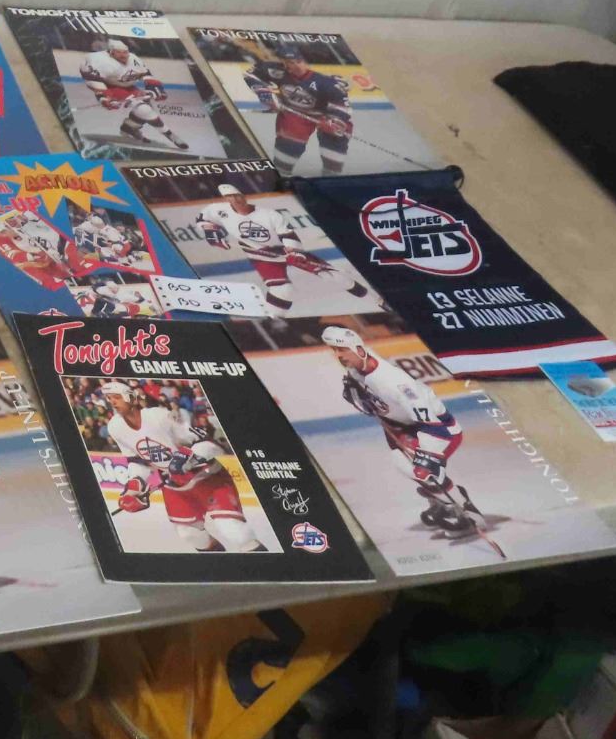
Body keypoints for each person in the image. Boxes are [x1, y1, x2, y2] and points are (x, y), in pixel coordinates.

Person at [325, 325, 488, 536]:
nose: (338, 355)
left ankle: (469, 513)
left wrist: (428, 457)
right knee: (402, 465)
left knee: (424, 473)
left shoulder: (397, 383)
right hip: (401, 425)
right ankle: (440, 503)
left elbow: (433, 424)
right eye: (334, 350)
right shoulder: (357, 366)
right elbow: (372, 400)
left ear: (358, 349)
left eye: (342, 349)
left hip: (437, 428)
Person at [101, 382, 264, 552]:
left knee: (234, 531)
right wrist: (133, 489)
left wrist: (189, 458)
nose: (112, 402)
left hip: (206, 476)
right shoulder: (115, 427)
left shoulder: (158, 416)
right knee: (191, 535)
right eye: (109, 399)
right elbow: (136, 460)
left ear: (132, 398)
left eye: (117, 397)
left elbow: (210, 443)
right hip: (174, 486)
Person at [196, 183, 371, 316]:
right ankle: (272, 318)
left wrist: (294, 252)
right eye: (230, 197)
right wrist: (211, 232)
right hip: (261, 256)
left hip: (284, 251)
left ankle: (374, 299)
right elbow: (203, 219)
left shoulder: (269, 215)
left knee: (334, 277)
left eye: (237, 195)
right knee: (284, 291)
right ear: (226, 200)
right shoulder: (217, 210)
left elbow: (288, 235)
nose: (235, 200)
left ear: (243, 195)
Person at [243, 43, 352, 175]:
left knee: (335, 149)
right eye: (290, 62)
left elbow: (341, 104)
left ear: (305, 61)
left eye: (299, 61)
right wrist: (262, 91)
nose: (297, 66)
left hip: (326, 115)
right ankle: (282, 174)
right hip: (295, 113)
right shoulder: (277, 71)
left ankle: (331, 175)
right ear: (284, 63)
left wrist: (335, 121)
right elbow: (250, 74)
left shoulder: (326, 82)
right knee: (288, 148)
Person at [79, 38, 187, 151]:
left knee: (145, 110)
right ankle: (169, 134)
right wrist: (104, 96)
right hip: (111, 88)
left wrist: (155, 88)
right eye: (119, 52)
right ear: (111, 52)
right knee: (144, 110)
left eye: (125, 52)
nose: (123, 55)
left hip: (129, 87)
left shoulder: (133, 58)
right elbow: (92, 80)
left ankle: (128, 128)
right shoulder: (99, 60)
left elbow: (146, 75)